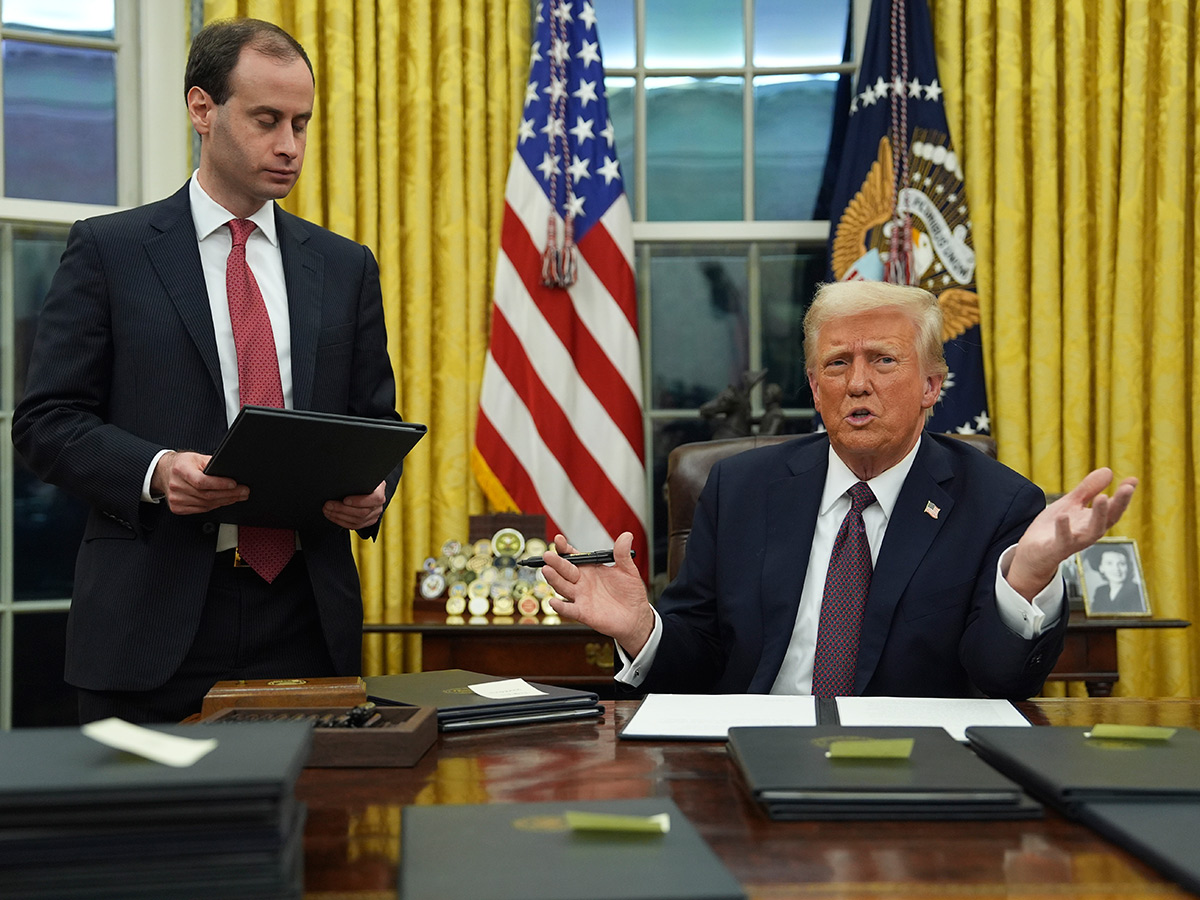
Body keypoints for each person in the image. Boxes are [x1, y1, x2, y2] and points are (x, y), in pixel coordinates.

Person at [11, 18, 402, 724]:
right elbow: (45, 422)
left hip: (307, 618)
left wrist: (374, 493)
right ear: (202, 109)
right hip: (150, 618)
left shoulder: (346, 268)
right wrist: (157, 471)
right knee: (148, 834)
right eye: (266, 120)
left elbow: (376, 422)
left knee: (311, 834)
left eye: (302, 123)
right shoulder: (110, 251)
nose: (289, 146)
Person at [542, 281, 1138, 699]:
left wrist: (1028, 576)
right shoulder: (741, 489)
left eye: (883, 360)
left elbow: (1005, 681)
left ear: (932, 386)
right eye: (836, 364)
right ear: (813, 384)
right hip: (750, 750)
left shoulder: (998, 503)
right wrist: (641, 629)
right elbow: (699, 661)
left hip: (910, 765)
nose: (857, 383)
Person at [1088, 546, 1143, 614]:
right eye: (1109, 563)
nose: (1117, 569)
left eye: (1121, 564)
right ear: (1101, 568)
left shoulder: (1138, 591)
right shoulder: (1100, 591)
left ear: (1128, 566)